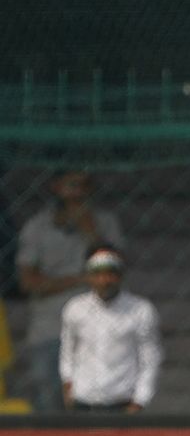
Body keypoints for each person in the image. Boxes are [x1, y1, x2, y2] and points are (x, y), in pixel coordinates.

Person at [16, 169, 124, 411]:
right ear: (56, 187)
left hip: (100, 323)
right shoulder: (37, 226)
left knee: (103, 398)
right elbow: (28, 282)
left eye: (83, 184)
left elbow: (115, 270)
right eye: (71, 185)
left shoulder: (105, 223)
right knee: (48, 395)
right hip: (50, 326)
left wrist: (90, 231)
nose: (78, 191)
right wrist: (81, 280)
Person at [58, 245, 161, 412]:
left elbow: (150, 357)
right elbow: (68, 350)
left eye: (110, 274)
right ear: (89, 277)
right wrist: (68, 383)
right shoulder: (75, 308)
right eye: (97, 274)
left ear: (120, 276)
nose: (104, 280)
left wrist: (141, 399)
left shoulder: (140, 310)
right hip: (83, 400)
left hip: (122, 402)